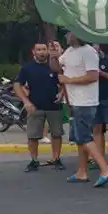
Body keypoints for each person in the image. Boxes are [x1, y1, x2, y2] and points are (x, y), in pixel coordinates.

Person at [52, 32, 108, 187]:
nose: (66, 34)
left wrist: (69, 80)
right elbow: (56, 68)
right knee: (80, 138)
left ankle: (105, 169)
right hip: (74, 101)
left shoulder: (88, 52)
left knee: (85, 136)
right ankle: (82, 171)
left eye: (69, 31)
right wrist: (52, 56)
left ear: (77, 33)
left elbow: (93, 76)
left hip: (85, 101)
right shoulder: (68, 52)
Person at [14, 42, 65, 172]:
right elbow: (17, 85)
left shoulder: (54, 67)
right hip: (35, 106)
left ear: (47, 51)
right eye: (39, 50)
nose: (42, 52)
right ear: (34, 52)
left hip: (54, 106)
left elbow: (64, 80)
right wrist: (25, 101)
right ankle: (34, 160)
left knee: (57, 134)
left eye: (44, 49)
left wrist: (62, 93)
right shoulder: (27, 68)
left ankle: (56, 158)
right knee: (32, 136)